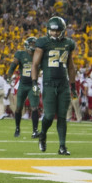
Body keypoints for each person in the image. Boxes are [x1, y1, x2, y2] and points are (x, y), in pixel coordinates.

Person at [31, 16, 77, 155]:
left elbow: (71, 67)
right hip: (49, 83)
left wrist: (73, 86)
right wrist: (34, 82)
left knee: (62, 116)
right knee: (49, 115)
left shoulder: (68, 43)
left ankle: (62, 146)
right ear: (48, 30)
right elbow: (35, 64)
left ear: (63, 31)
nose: (55, 33)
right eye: (52, 31)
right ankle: (43, 134)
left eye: (57, 31)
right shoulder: (43, 43)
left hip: (63, 84)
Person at [8, 37, 40, 138]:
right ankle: (17, 128)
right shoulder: (20, 54)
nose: (33, 46)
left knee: (35, 107)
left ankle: (35, 131)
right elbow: (13, 65)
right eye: (32, 44)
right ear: (27, 44)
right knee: (18, 108)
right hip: (23, 84)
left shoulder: (39, 55)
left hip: (33, 84)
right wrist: (9, 75)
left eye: (35, 44)